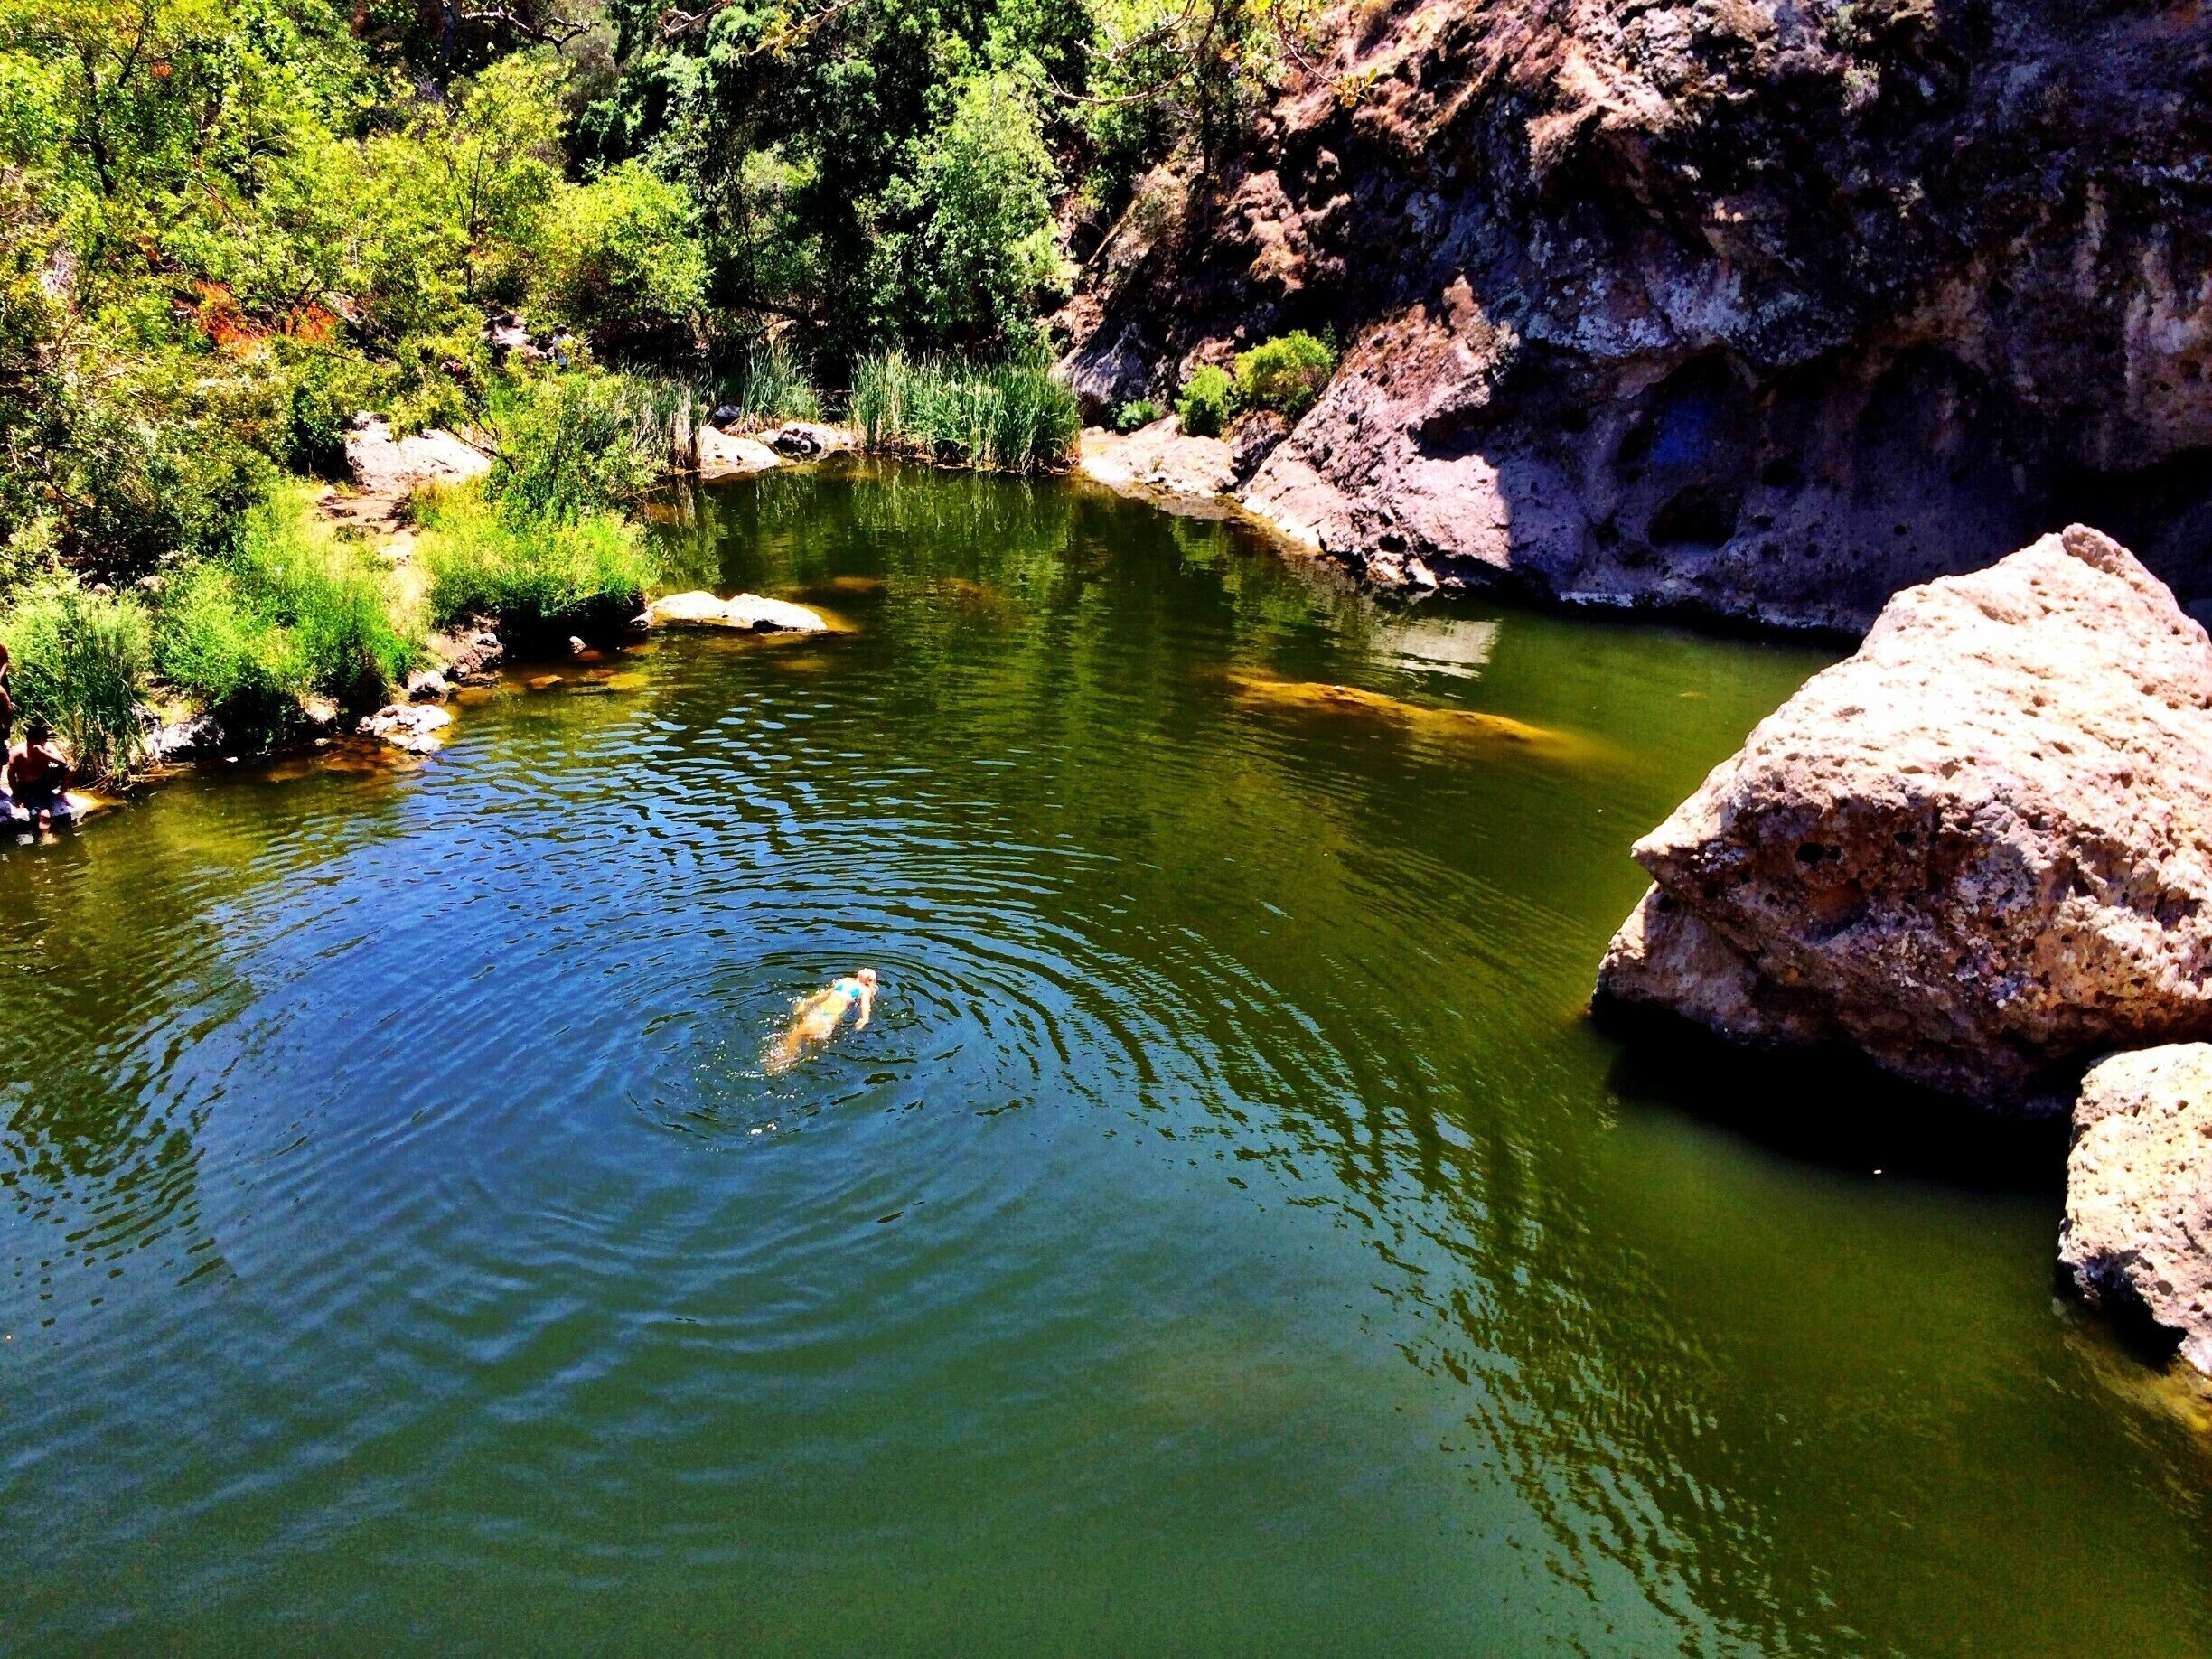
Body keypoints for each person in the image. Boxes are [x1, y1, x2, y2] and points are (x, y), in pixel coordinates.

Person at [765, 968, 877, 1073]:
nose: (865, 969)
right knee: (800, 1032)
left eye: (868, 971)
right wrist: (808, 1001)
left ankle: (781, 1061)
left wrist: (864, 1018)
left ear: (869, 980)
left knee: (797, 1033)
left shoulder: (865, 990)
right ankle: (790, 1058)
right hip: (820, 1009)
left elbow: (865, 1006)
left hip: (832, 1014)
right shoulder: (846, 980)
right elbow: (826, 993)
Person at [7, 718, 74, 830]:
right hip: (28, 787)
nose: (40, 746)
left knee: (70, 769)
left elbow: (63, 762)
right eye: (36, 743)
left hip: (45, 780)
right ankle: (46, 839)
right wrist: (17, 795)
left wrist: (44, 753)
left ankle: (61, 794)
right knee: (44, 814)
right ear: (30, 741)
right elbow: (10, 775)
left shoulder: (47, 747)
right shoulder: (19, 753)